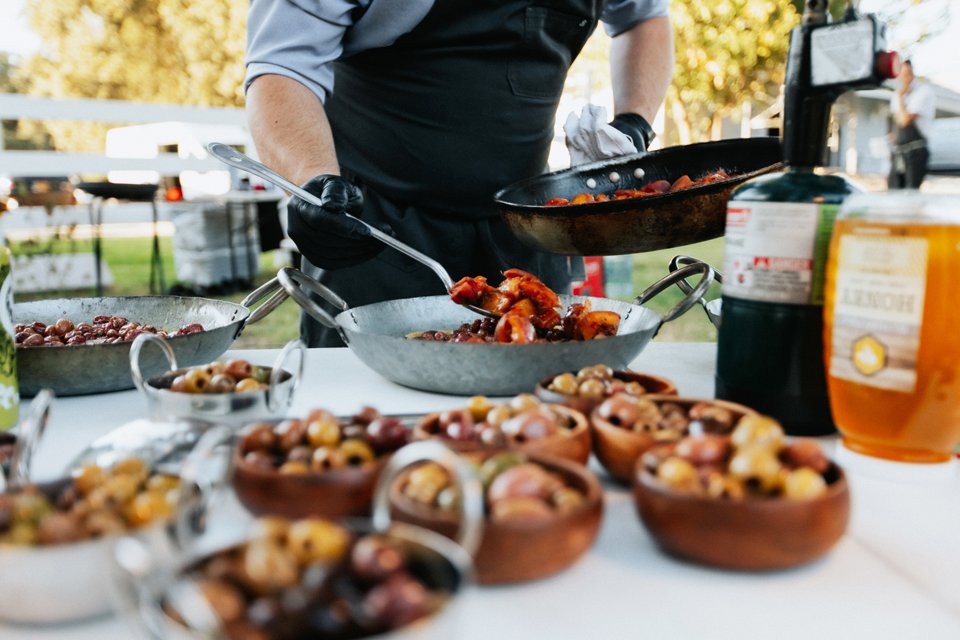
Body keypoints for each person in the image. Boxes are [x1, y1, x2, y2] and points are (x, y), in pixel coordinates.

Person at [245, 1, 673, 347]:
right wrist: (314, 180)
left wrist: (634, 122)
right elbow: (281, 65)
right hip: (376, 233)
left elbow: (644, 17)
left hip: (526, 230)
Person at [888, 60, 935, 190]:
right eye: (901, 74)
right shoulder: (897, 94)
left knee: (911, 192)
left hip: (916, 151)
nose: (904, 77)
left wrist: (900, 98)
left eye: (907, 73)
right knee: (893, 190)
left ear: (912, 74)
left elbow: (905, 120)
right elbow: (897, 121)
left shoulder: (923, 92)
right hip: (899, 152)